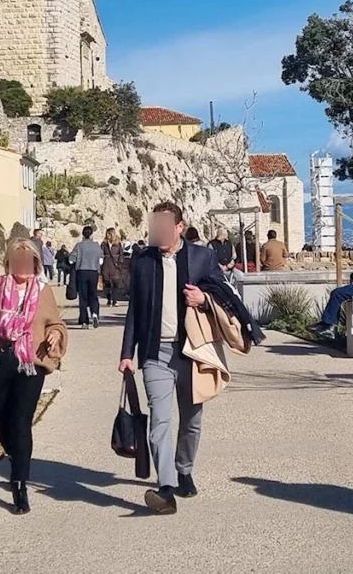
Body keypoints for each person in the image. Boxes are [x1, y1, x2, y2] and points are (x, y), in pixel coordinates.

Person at [118, 201, 226, 514]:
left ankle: (184, 469)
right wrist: (127, 353)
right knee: (160, 421)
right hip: (156, 353)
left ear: (179, 227)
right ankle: (165, 488)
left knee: (192, 420)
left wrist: (203, 298)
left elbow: (224, 295)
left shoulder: (202, 257)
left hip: (192, 352)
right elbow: (135, 310)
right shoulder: (143, 261)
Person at [0, 238, 67, 514]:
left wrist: (54, 335)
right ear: (9, 262)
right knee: (4, 421)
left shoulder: (43, 292)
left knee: (21, 422)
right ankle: (14, 453)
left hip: (30, 364)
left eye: (28, 261)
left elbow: (55, 323)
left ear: (35, 264)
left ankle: (19, 485)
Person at [70, 225, 103, 329]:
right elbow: (101, 260)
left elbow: (71, 259)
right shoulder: (96, 246)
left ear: (83, 234)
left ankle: (84, 322)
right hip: (93, 272)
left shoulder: (79, 245)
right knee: (93, 295)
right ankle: (95, 313)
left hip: (82, 272)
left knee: (83, 297)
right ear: (92, 234)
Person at [101, 228, 127, 308]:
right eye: (107, 234)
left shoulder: (118, 244)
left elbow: (121, 254)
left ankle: (114, 300)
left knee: (115, 283)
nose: (107, 235)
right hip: (106, 265)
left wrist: (120, 262)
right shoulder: (104, 244)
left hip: (115, 266)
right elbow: (101, 254)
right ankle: (109, 299)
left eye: (109, 234)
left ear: (112, 234)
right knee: (107, 284)